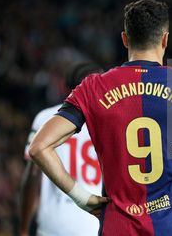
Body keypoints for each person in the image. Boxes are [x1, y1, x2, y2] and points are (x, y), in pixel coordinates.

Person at [28, 0, 172, 235]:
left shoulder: (93, 88)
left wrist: (81, 197)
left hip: (118, 226)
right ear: (165, 39)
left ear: (125, 38)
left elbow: (39, 148)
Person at [19, 62, 104, 236]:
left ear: (65, 87)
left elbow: (31, 176)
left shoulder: (44, 118)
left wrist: (23, 229)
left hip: (55, 222)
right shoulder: (111, 121)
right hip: (95, 220)